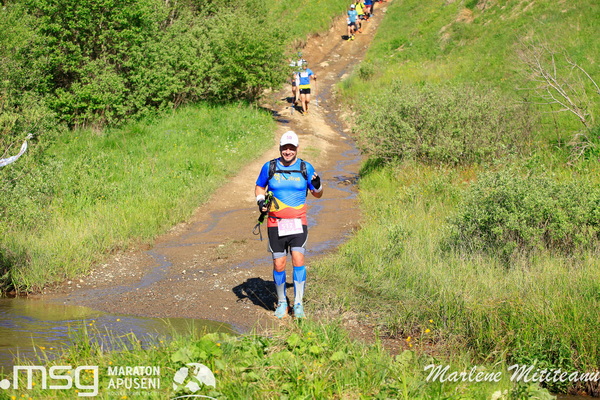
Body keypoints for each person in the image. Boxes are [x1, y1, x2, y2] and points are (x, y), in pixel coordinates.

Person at [255, 131, 323, 318]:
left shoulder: (305, 168)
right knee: (279, 264)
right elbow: (259, 186)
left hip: (298, 223)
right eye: (285, 148)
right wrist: (260, 201)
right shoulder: (269, 167)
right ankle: (282, 303)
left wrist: (318, 185)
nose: (288, 151)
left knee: (298, 260)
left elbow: (318, 194)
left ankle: (298, 304)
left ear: (297, 148)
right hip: (275, 223)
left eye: (291, 148)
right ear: (280, 148)